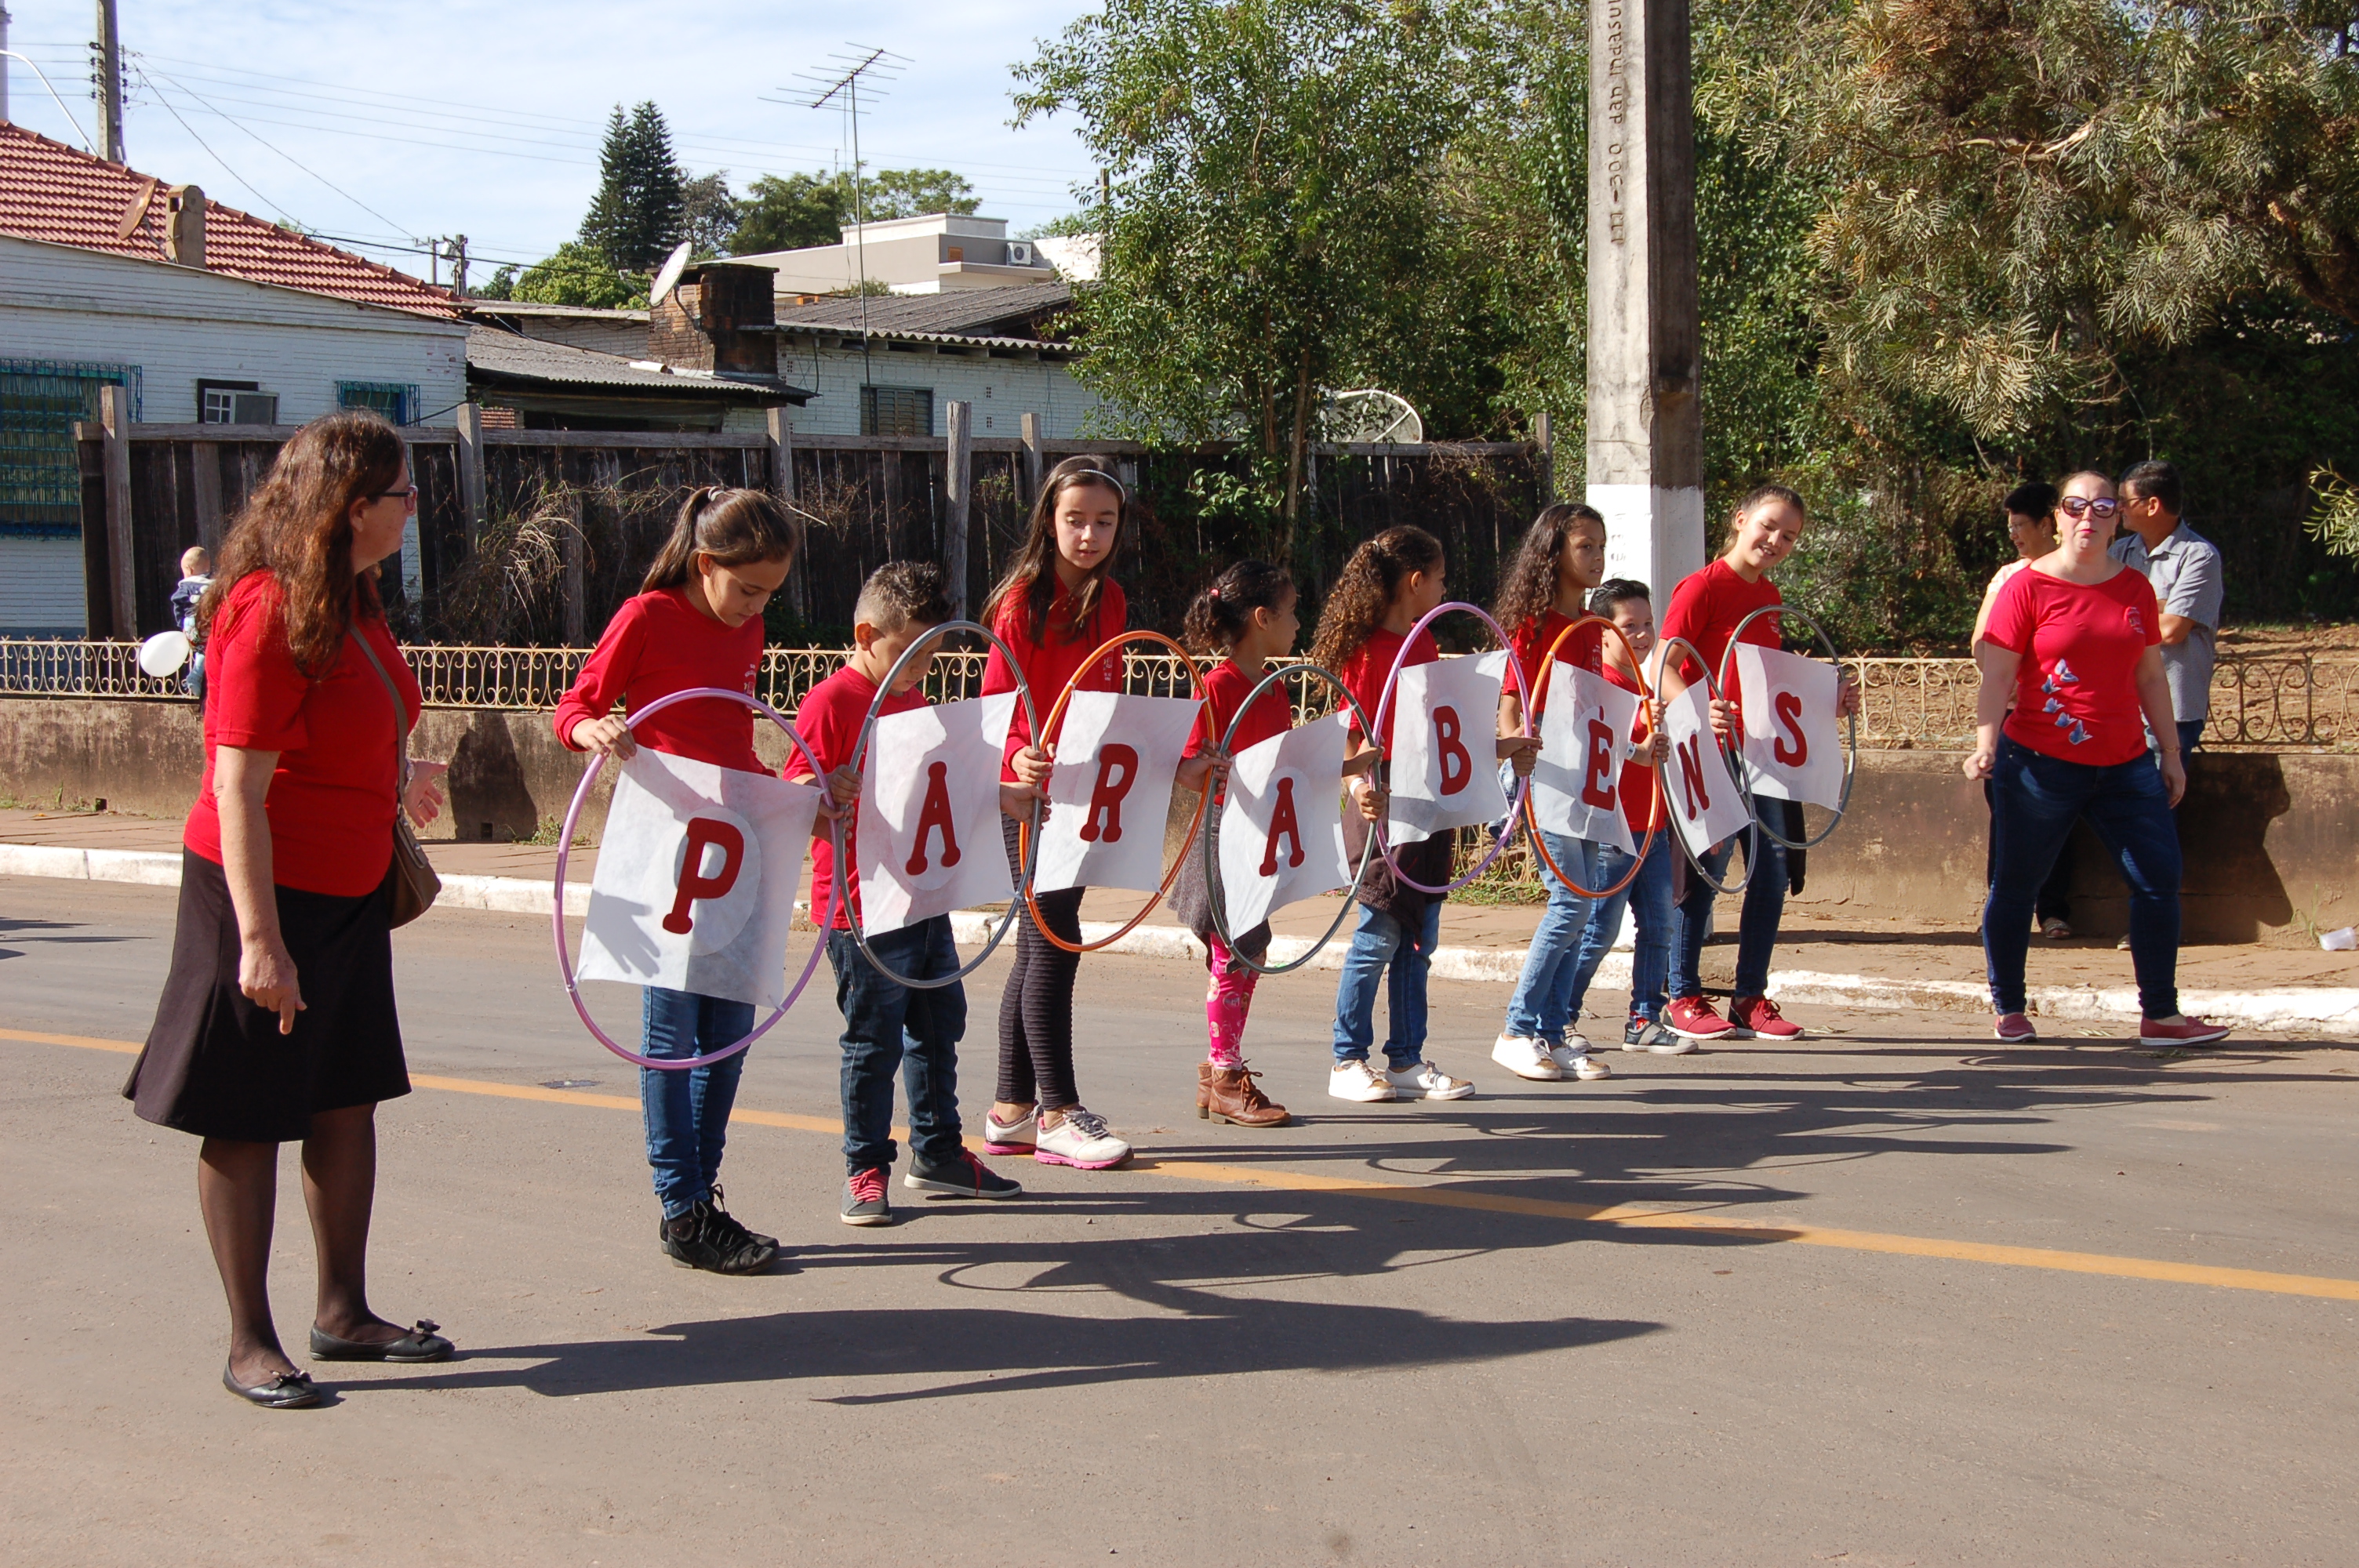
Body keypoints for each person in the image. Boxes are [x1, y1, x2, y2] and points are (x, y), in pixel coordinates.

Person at [125, 410, 454, 1410]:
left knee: (344, 1097)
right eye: (401, 494)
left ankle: (343, 1311)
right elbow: (238, 786)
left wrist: (399, 770)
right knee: (247, 1111)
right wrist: (260, 942)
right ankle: (249, 1340)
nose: (412, 509)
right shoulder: (265, 607)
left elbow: (343, 722)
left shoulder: (353, 596)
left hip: (348, 889)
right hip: (258, 892)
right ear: (353, 507)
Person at [554, 486, 801, 1274]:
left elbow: (730, 737)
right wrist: (593, 727)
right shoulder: (646, 617)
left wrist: (788, 797)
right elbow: (574, 706)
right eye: (747, 588)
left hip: (731, 846)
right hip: (664, 851)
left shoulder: (748, 628)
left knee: (728, 1035)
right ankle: (681, 1205)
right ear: (704, 564)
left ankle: (700, 1197)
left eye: (768, 594)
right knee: (670, 1038)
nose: (755, 607)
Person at [790, 561, 1033, 1225]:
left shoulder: (914, 701)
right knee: (873, 1043)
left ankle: (938, 1152)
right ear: (867, 635)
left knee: (937, 1028)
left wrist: (1003, 796)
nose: (923, 667)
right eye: (912, 652)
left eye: (932, 653)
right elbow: (793, 796)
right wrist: (823, 793)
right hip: (862, 907)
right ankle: (866, 1168)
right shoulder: (832, 702)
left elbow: (938, 789)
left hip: (922, 896)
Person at [1965, 470, 2230, 1048]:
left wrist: (2170, 755)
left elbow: (2150, 676)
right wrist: (1986, 742)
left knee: (2159, 880)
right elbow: (1999, 674)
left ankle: (2161, 1015)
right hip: (2039, 764)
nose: (2088, 517)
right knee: (2016, 886)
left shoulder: (2134, 588)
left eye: (2103, 508)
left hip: (2126, 764)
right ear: (2057, 519)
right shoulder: (2025, 587)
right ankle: (2010, 1007)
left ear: (2117, 522)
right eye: (2075, 506)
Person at [1312, 524, 1536, 1104]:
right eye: (1441, 579)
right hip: (1386, 805)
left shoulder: (1423, 644)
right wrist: (1359, 787)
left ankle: (1407, 1059)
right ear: (1416, 582)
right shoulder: (1367, 651)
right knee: (1376, 937)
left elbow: (1443, 733)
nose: (1444, 590)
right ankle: (1347, 1059)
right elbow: (1351, 735)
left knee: (1419, 940)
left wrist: (1503, 748)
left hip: (1429, 805)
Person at [1659, 485, 1860, 1044]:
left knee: (1772, 871)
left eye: (1788, 536)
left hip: (1764, 756)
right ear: (1741, 518)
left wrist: (1831, 700)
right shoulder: (1702, 586)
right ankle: (1682, 994)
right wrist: (1701, 709)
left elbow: (1772, 682)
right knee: (1708, 871)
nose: (1775, 541)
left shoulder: (1769, 596)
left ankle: (1750, 996)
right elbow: (1663, 662)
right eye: (1768, 526)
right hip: (1714, 752)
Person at [981, 457, 1136, 1171]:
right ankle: (1059, 1111)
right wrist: (1018, 756)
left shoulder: (1112, 601)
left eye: (1104, 521)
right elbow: (999, 701)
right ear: (1050, 521)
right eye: (1076, 520)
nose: (1089, 534)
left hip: (1083, 792)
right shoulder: (1021, 603)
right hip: (1030, 797)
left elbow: (1108, 703)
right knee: (1053, 940)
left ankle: (1010, 1109)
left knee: (1038, 945)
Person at [1168, 558, 1349, 1127]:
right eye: (1291, 613)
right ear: (1262, 618)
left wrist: (1348, 763)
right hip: (1224, 837)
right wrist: (1208, 766)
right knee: (1233, 954)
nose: (1298, 624)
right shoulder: (1218, 687)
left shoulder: (1272, 689)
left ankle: (1218, 1070)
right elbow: (1186, 769)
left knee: (1250, 953)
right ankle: (1225, 1073)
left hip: (1258, 839)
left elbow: (1283, 766)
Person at [1488, 503, 1616, 1083]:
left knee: (1583, 906)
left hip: (1584, 775)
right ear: (1554, 552)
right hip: (1545, 774)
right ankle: (1516, 1030)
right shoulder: (1532, 624)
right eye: (1585, 546)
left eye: (1601, 546)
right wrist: (1518, 750)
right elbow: (1510, 703)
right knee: (1570, 903)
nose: (1597, 558)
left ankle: (1552, 1031)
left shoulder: (1591, 625)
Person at [1559, 579, 1688, 1054]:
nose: (1642, 635)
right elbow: (1595, 751)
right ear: (1603, 631)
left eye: (1648, 623)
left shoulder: (1645, 687)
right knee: (1598, 932)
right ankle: (1560, 1019)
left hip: (1651, 826)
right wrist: (1641, 735)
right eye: (1629, 625)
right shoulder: (1598, 687)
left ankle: (1645, 1019)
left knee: (1659, 927)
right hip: (1611, 831)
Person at [1975, 481, 2075, 940]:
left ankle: (2053, 908)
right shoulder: (2007, 578)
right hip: (2013, 711)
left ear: (2047, 524)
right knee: (2005, 809)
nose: (2014, 534)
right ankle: (2000, 906)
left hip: (2063, 713)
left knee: (2061, 810)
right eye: (2010, 526)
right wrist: (2013, 674)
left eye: (2020, 525)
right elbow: (1982, 643)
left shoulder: (2078, 574)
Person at [2112, 459, 2223, 760]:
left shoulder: (2198, 557)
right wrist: (2157, 606)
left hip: (2173, 710)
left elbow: (2173, 630)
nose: (2119, 508)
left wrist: (2119, 613)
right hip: (2120, 707)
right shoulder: (2118, 552)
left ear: (2152, 505)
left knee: (2160, 789)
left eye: (2125, 501)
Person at [171, 545, 213, 705]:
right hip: (209, 625)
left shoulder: (185, 586)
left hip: (191, 624)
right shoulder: (214, 585)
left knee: (199, 649)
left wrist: (181, 624)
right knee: (205, 650)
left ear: (189, 569)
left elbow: (177, 603)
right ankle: (196, 674)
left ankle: (194, 676)